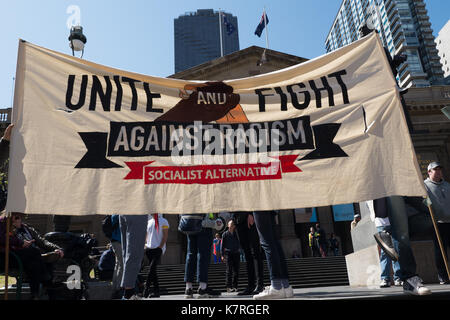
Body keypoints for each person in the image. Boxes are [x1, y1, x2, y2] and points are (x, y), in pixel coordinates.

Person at [0, 212, 64, 300]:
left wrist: (57, 248)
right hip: (14, 256)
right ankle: (46, 282)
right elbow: (5, 240)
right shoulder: (5, 225)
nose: (18, 219)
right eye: (16, 217)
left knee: (38, 263)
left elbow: (42, 241)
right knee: (35, 256)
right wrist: (22, 243)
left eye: (20, 217)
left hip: (31, 257)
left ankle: (40, 295)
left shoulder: (27, 228)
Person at [252, 210, 293, 300]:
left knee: (266, 242)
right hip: (269, 206)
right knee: (274, 242)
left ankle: (277, 287)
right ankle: (285, 286)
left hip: (259, 204)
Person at [182, 213, 221, 298]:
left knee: (190, 255)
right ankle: (202, 288)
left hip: (190, 224)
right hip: (203, 227)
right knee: (203, 255)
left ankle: (188, 288)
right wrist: (215, 223)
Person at [424, 161, 450, 284]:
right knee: (440, 251)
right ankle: (443, 276)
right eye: (436, 169)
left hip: (449, 221)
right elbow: (424, 203)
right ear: (429, 172)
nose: (439, 171)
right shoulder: (425, 186)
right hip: (437, 223)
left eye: (440, 169)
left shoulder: (447, 185)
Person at [231, 211, 265, 295]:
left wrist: (251, 213)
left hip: (248, 217)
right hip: (238, 220)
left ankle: (260, 284)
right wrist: (233, 218)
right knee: (247, 254)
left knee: (255, 252)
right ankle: (251, 285)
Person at [119, 214, 148, 300]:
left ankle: (127, 291)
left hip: (123, 211)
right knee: (135, 252)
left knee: (126, 253)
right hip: (137, 211)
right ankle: (129, 293)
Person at [143, 213, 169, 298]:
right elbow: (146, 235)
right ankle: (156, 292)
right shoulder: (149, 221)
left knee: (151, 268)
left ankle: (146, 288)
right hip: (149, 249)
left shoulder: (164, 221)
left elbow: (165, 236)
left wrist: (160, 247)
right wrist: (145, 245)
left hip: (158, 249)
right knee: (153, 271)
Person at [374, 214, 402, 288]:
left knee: (396, 249)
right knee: (385, 251)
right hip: (381, 222)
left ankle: (398, 277)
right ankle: (385, 278)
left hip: (394, 220)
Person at [221, 220, 241, 293]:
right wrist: (222, 255)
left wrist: (239, 249)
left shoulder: (237, 234)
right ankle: (228, 287)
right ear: (228, 225)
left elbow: (240, 242)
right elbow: (222, 245)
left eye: (233, 224)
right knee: (229, 271)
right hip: (229, 254)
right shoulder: (225, 234)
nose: (232, 226)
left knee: (236, 271)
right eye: (230, 224)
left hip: (236, 253)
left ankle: (235, 286)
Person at [109, 214, 123, 298]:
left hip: (115, 241)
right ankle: (118, 288)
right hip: (118, 241)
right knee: (121, 264)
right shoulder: (118, 215)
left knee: (117, 264)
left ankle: (114, 288)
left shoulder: (114, 214)